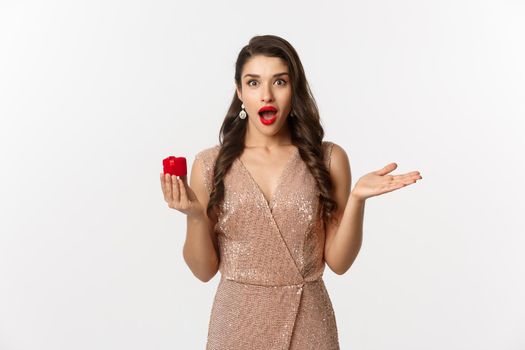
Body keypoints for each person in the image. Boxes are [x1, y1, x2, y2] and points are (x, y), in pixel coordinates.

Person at [160, 34, 422, 350]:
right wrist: (194, 217)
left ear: (294, 89)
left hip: (308, 324)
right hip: (236, 326)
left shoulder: (328, 158)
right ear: (239, 92)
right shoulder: (209, 164)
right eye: (254, 83)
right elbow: (203, 271)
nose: (266, 95)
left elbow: (339, 263)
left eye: (279, 82)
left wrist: (356, 200)